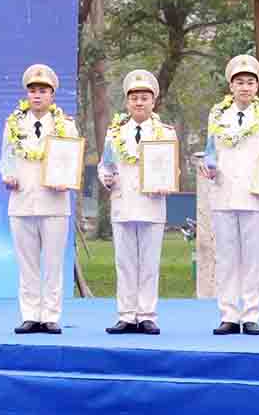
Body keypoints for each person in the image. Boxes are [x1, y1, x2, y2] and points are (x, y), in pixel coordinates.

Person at [200, 53, 259, 335]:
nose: (245, 87)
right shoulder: (217, 115)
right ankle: (229, 314)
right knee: (226, 258)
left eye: (250, 82)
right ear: (231, 86)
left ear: (257, 87)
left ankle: (251, 314)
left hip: (255, 197)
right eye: (239, 82)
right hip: (223, 194)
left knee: (253, 259)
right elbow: (211, 151)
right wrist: (207, 168)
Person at [0, 63, 79, 334]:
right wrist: (7, 176)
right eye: (32, 90)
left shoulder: (66, 125)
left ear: (52, 94)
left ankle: (51, 315)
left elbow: (71, 161)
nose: (37, 95)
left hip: (54, 202)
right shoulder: (14, 123)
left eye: (43, 90)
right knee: (28, 263)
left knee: (54, 263)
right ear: (27, 94)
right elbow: (6, 158)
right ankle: (30, 314)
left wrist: (66, 179)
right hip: (22, 201)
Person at [101, 70, 175, 335]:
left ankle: (147, 314)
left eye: (144, 98)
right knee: (124, 263)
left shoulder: (165, 133)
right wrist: (106, 178)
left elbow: (172, 170)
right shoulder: (115, 133)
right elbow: (105, 165)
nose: (139, 103)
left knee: (149, 264)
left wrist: (166, 183)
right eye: (134, 98)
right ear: (127, 102)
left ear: (153, 102)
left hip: (152, 205)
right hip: (123, 203)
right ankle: (126, 315)